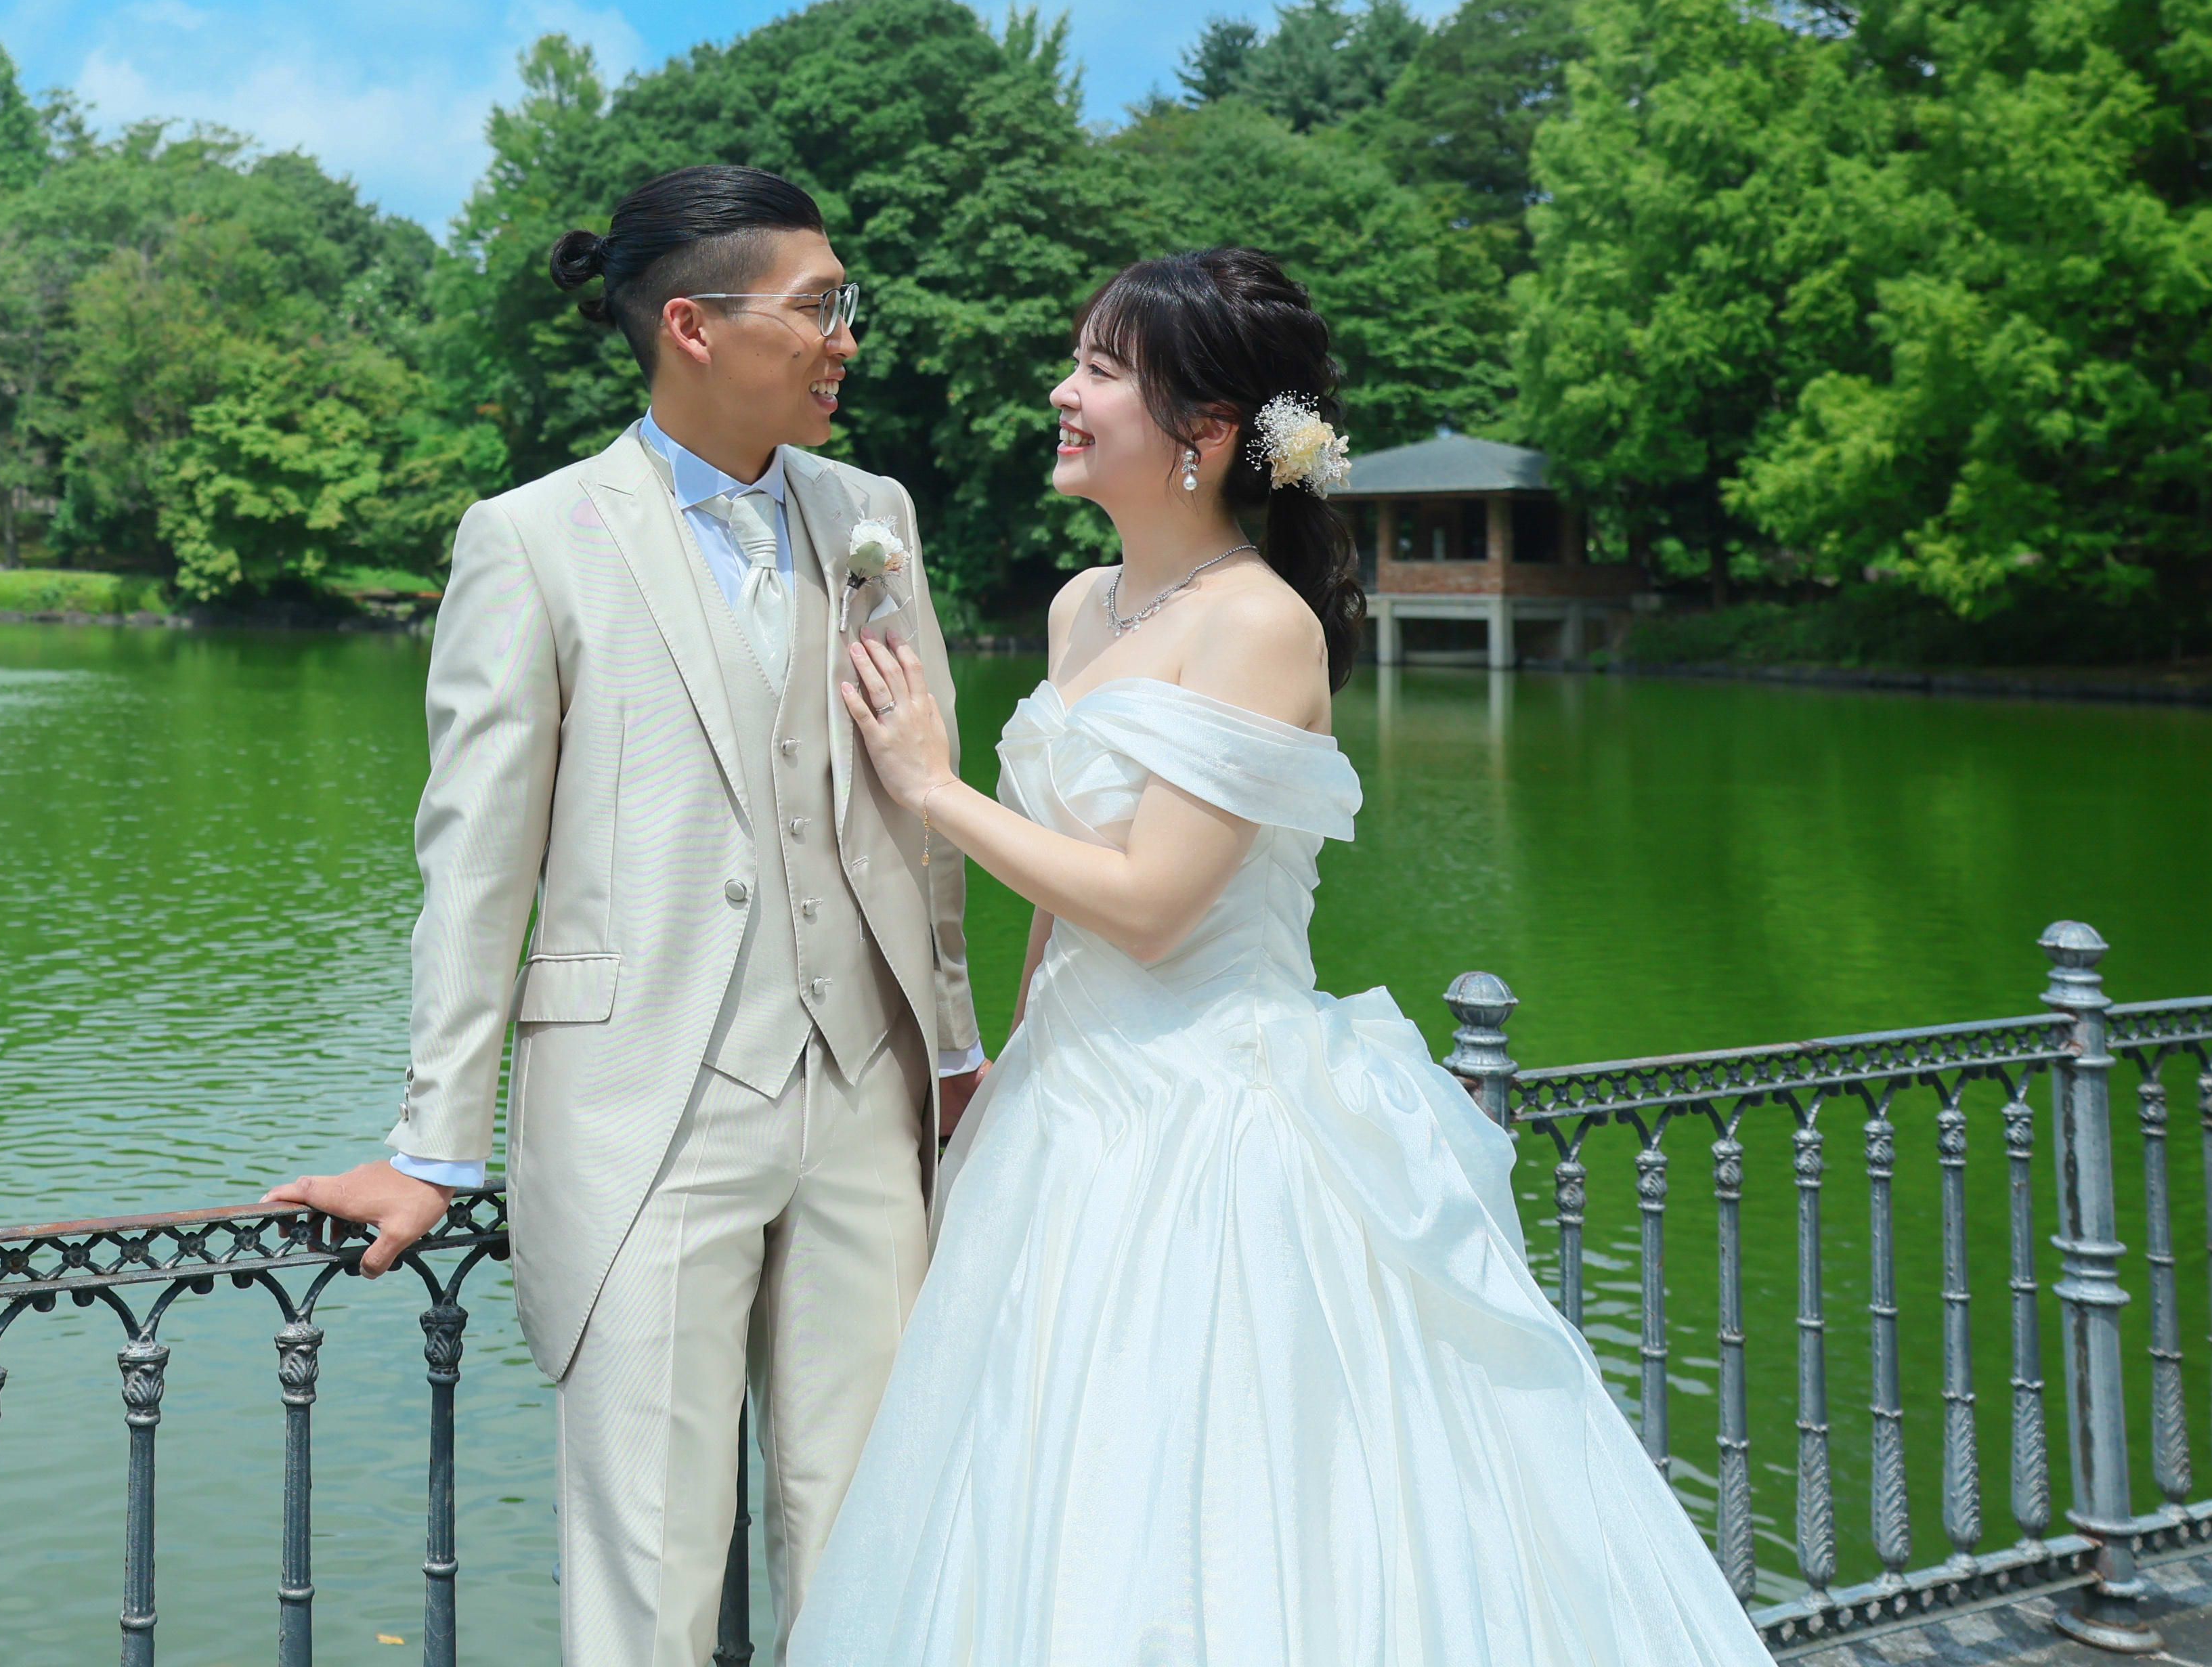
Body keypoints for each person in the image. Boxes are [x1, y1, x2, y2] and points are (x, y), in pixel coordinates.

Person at [787, 246, 1769, 1664]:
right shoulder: (1080, 605)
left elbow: (1154, 904)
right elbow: (1065, 898)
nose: (1063, 392)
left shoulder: (1260, 624)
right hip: (1065, 1107)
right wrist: (996, 1063)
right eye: (1077, 361)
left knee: (1220, 1489)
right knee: (1033, 1479)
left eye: (1100, 371)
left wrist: (932, 788)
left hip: (1214, 1121)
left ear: (1204, 430)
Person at [267, 165, 985, 1667]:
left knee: (873, 1547)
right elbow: (477, 858)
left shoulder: (876, 516)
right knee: (649, 1571)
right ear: (692, 326)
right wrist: (434, 1145)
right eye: (819, 307)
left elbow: (921, 817)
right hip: (644, 1107)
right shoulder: (530, 536)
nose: (848, 338)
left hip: (867, 1098)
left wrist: (955, 1058)